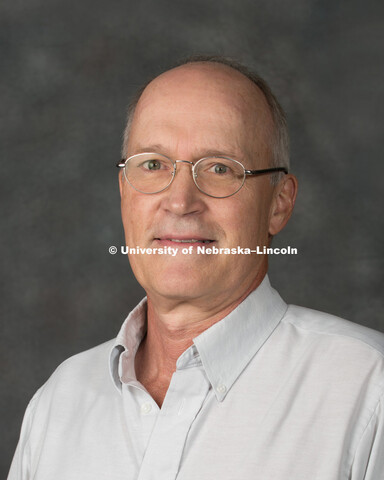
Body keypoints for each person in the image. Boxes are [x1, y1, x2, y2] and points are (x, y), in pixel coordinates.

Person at [8, 56, 384, 480]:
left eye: (220, 168)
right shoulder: (59, 402)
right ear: (123, 191)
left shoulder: (368, 392)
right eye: (153, 165)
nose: (180, 200)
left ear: (279, 203)